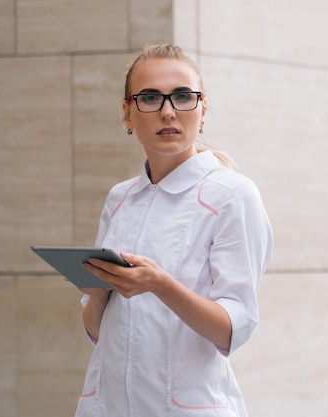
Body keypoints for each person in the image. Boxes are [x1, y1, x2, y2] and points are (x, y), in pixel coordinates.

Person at [75, 43, 273, 417]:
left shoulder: (232, 195)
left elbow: (233, 329)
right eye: (150, 97)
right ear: (128, 113)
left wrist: (160, 285)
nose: (168, 111)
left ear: (202, 110)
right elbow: (98, 333)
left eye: (183, 96)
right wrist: (99, 293)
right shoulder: (119, 198)